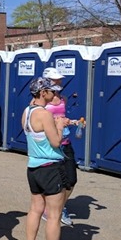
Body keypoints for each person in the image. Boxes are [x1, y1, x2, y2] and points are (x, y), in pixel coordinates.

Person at [22, 77, 74, 240]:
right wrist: (60, 127)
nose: (55, 95)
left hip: (33, 167)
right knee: (54, 214)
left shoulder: (27, 112)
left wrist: (55, 122)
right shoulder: (43, 114)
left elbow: (38, 136)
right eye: (51, 91)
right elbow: (55, 142)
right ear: (42, 93)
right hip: (50, 167)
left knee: (35, 208)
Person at [42, 67, 77, 226]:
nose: (60, 81)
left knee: (71, 180)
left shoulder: (63, 98)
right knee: (54, 182)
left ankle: (58, 208)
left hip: (66, 141)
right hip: (51, 145)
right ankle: (51, 210)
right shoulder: (42, 102)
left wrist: (69, 121)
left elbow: (61, 116)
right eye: (56, 79)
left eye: (60, 79)